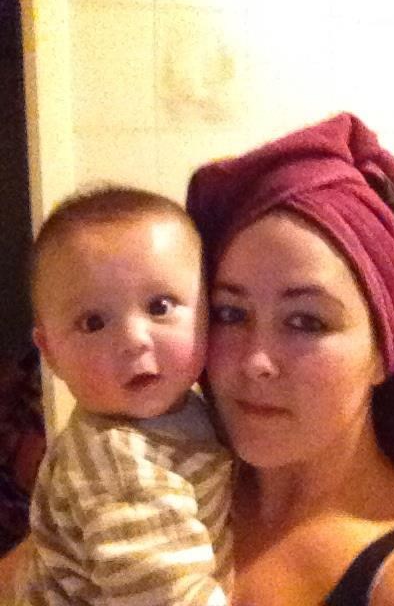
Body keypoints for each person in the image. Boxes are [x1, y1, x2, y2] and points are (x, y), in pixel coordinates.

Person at [187, 113, 394, 605]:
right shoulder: (166, 495)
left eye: (306, 321)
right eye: (230, 313)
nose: (255, 361)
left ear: (384, 351)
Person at [19, 187, 233, 605]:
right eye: (93, 322)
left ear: (207, 310)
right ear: (51, 354)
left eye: (160, 306)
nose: (134, 340)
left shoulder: (189, 409)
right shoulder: (118, 462)